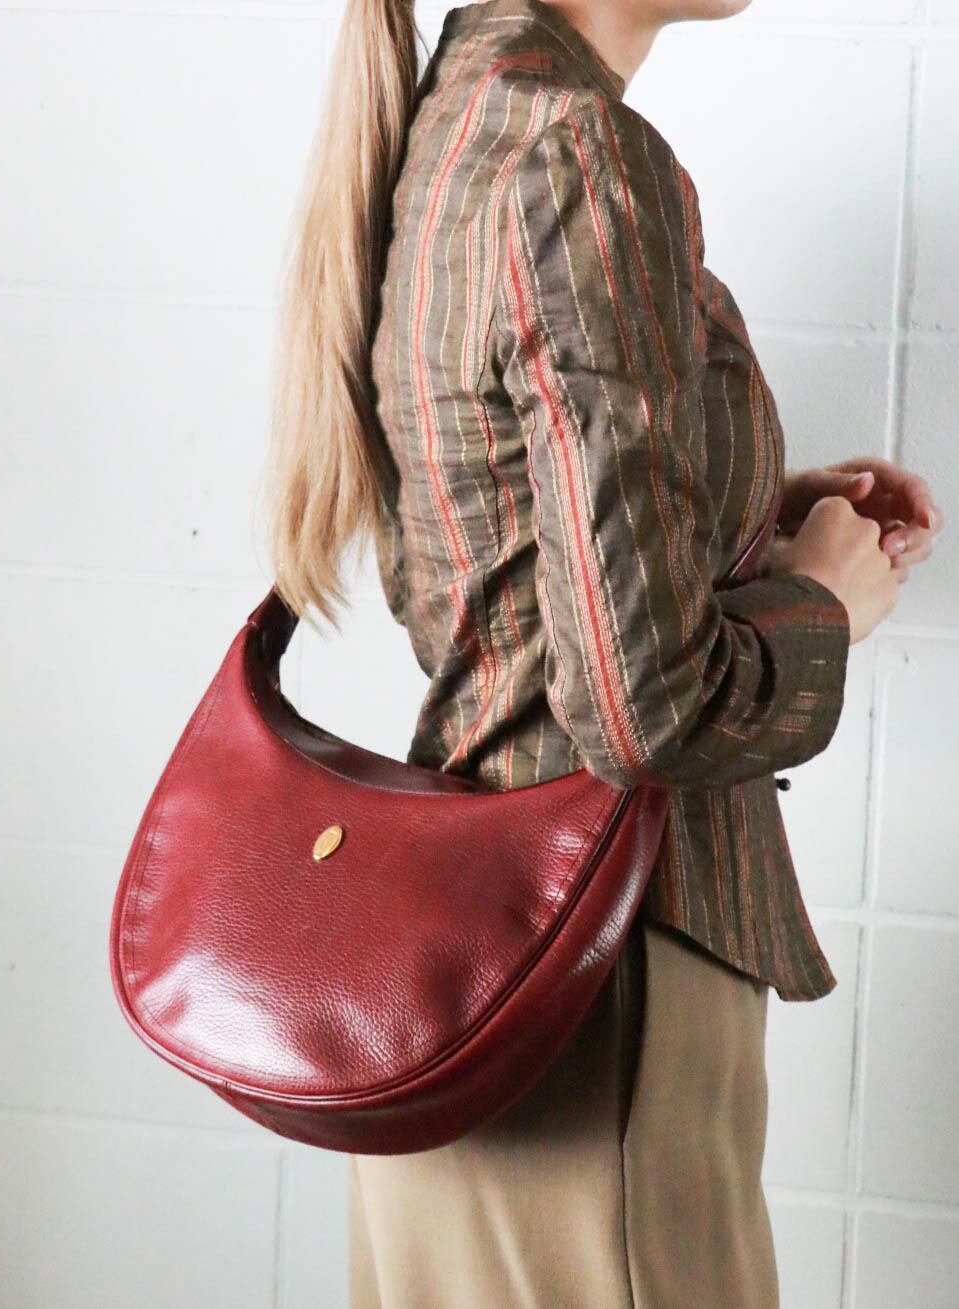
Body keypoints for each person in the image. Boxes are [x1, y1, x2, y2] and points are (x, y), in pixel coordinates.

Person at [264, 0, 944, 1304]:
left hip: (474, 970)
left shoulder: (467, 104)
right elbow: (644, 709)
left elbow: (504, 535)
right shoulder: (578, 153)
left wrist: (746, 518)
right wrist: (821, 605)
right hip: (597, 973)